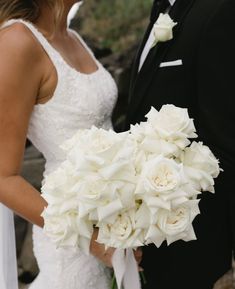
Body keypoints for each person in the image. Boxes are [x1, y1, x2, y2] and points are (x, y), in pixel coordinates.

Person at [0, 0, 138, 288]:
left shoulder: (72, 36)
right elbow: (3, 177)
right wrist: (93, 241)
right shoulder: (17, 42)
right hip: (70, 238)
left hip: (111, 220)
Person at [125, 0, 235, 288]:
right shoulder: (161, 10)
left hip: (197, 241)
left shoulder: (219, 10)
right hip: (150, 239)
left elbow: (226, 136)